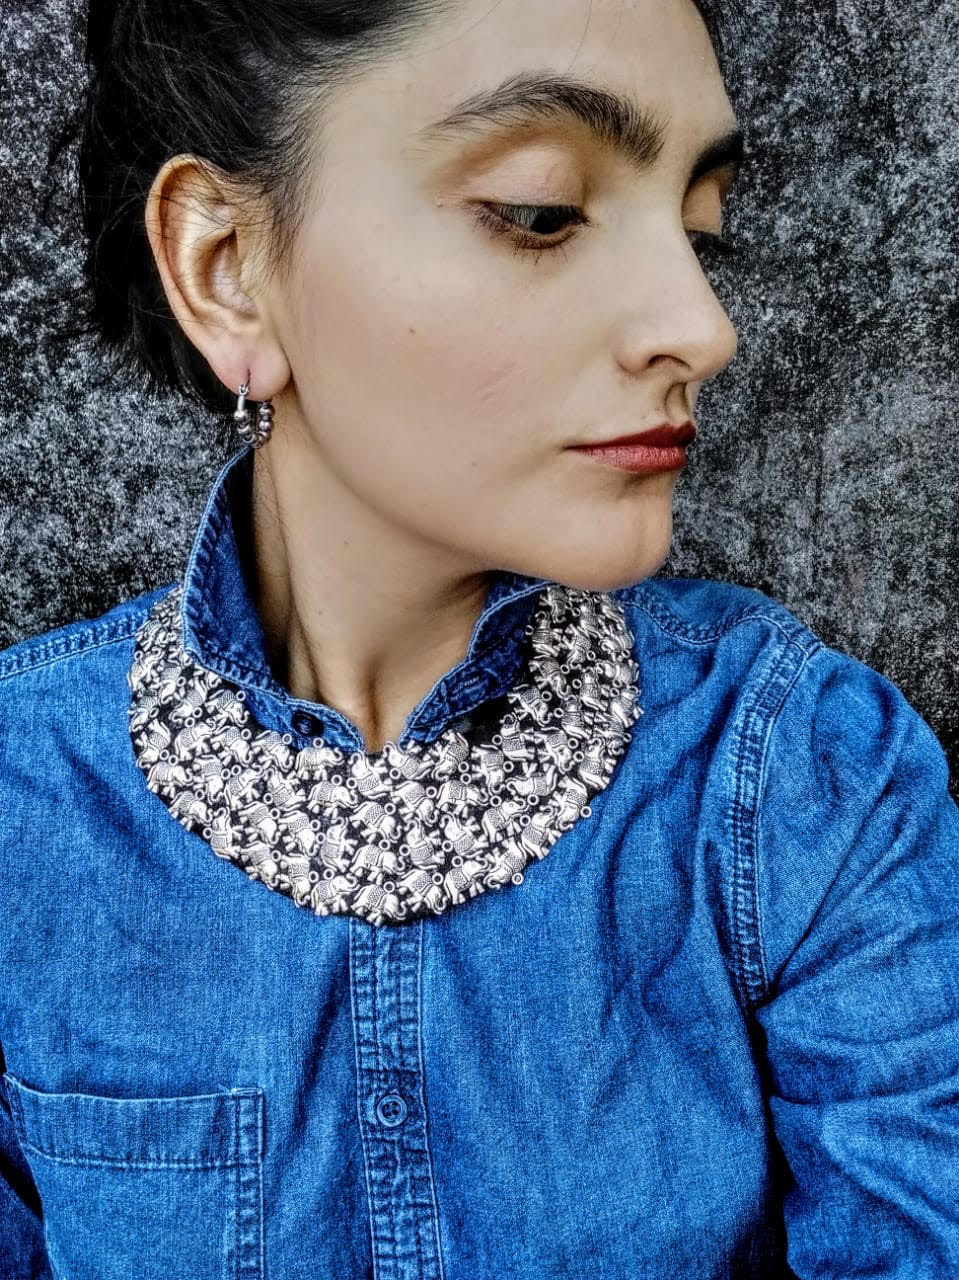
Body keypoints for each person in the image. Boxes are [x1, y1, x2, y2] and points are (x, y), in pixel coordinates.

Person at [1, 0, 957, 1275]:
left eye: (697, 227)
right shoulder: (23, 803)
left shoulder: (807, 781)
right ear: (226, 266)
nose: (702, 328)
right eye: (542, 211)